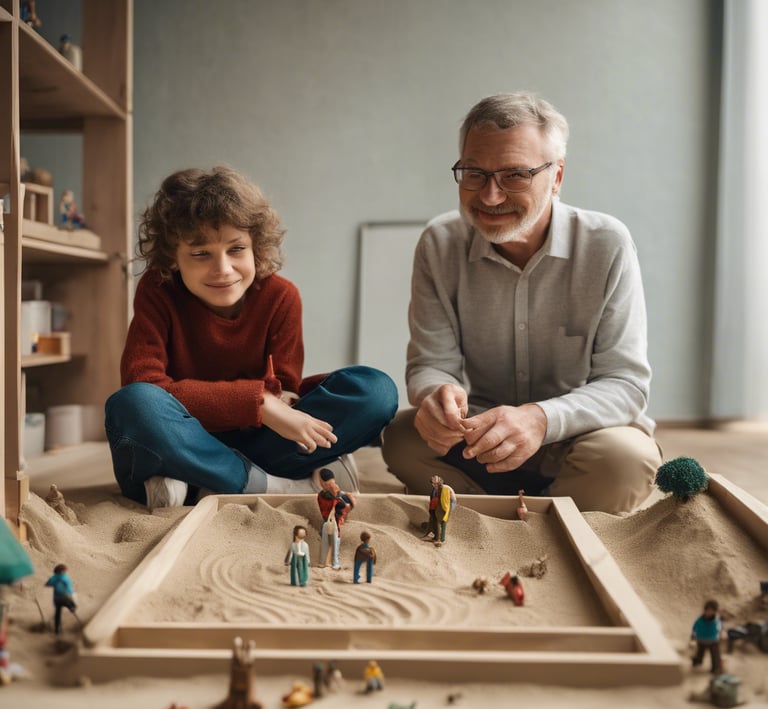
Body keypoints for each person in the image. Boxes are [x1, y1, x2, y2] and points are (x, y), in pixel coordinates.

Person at [381, 92, 661, 514]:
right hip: (481, 438)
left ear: (558, 176)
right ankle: (536, 516)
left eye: (515, 175)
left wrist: (540, 419)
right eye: (474, 173)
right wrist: (437, 395)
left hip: (581, 440)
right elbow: (429, 362)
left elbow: (625, 384)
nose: (490, 197)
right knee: (402, 436)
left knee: (627, 460)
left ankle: (495, 513)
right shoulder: (440, 243)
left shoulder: (607, 243)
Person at [105, 166, 398, 509]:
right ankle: (266, 484)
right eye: (200, 254)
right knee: (133, 403)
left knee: (375, 390)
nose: (223, 269)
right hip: (180, 432)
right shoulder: (157, 290)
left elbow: (285, 391)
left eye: (236, 249)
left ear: (256, 248)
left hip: (253, 440)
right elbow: (145, 383)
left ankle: (198, 481)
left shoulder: (281, 296)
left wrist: (274, 404)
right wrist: (258, 403)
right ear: (173, 257)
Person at [317, 468, 355, 570]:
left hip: (335, 522)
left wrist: (342, 497)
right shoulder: (322, 496)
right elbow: (329, 508)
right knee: (329, 542)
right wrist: (337, 497)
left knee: (331, 542)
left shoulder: (339, 495)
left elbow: (347, 507)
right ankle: (327, 562)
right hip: (330, 522)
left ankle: (330, 562)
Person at [691, 599, 723, 674]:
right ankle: (697, 664)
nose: (709, 612)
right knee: (699, 653)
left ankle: (715, 668)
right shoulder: (700, 620)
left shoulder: (716, 620)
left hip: (713, 641)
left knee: (715, 655)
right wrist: (692, 639)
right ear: (705, 610)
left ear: (715, 611)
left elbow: (720, 629)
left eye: (711, 610)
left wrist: (721, 635)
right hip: (702, 640)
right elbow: (694, 629)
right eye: (708, 610)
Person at [423, 474, 456, 546]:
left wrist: (447, 508)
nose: (435, 485)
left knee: (442, 522)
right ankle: (432, 536)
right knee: (433, 520)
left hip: (444, 506)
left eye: (436, 483)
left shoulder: (445, 488)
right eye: (433, 483)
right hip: (435, 507)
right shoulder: (434, 489)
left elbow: (450, 500)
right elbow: (433, 498)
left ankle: (440, 539)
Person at [45, 563, 77, 634]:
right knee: (71, 605)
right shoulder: (65, 577)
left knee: (58, 613)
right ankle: (72, 608)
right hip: (65, 597)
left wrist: (54, 583)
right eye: (65, 571)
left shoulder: (54, 577)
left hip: (56, 599)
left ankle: (57, 630)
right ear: (62, 571)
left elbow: (47, 584)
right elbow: (69, 589)